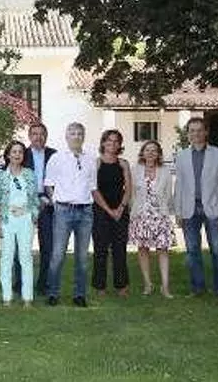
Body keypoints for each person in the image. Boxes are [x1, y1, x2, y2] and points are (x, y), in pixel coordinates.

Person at [174, 117, 218, 299]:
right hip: (189, 209)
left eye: (199, 130)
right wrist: (178, 212)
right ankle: (197, 288)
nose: (196, 134)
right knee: (192, 250)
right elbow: (179, 186)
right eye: (192, 130)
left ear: (206, 132)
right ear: (188, 134)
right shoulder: (181, 156)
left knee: (217, 250)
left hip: (213, 209)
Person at [45, 122, 100, 308]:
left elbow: (92, 186)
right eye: (73, 133)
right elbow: (49, 184)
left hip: (85, 212)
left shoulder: (91, 159)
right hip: (63, 211)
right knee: (58, 255)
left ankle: (79, 295)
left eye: (79, 134)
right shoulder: (57, 158)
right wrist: (56, 203)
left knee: (82, 258)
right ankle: (53, 293)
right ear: (66, 137)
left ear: (83, 137)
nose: (76, 136)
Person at [0, 140, 40, 307]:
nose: (17, 155)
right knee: (6, 257)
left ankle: (27, 298)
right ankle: (7, 297)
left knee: (25, 257)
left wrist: (33, 215)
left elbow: (35, 199)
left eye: (20, 152)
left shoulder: (29, 174)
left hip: (25, 219)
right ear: (8, 155)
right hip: (7, 220)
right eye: (14, 152)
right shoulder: (0, 176)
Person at [15, 122, 57, 296]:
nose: (38, 137)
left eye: (41, 134)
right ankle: (21, 284)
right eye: (34, 134)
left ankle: (44, 284)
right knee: (22, 246)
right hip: (25, 204)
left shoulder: (54, 155)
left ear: (46, 136)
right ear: (29, 136)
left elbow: (59, 179)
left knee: (48, 246)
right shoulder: (21, 154)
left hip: (48, 204)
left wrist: (49, 199)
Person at [129, 140, 176, 298]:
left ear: (158, 154)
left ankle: (165, 286)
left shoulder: (165, 171)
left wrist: (160, 209)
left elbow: (168, 194)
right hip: (141, 216)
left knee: (163, 250)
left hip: (160, 216)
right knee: (143, 249)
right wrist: (135, 210)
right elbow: (132, 194)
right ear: (142, 153)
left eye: (154, 150)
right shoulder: (135, 170)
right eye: (147, 150)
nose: (150, 153)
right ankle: (148, 284)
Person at [91, 129, 133, 297]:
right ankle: (100, 286)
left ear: (120, 145)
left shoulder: (123, 164)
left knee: (119, 249)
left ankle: (121, 286)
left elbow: (128, 189)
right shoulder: (96, 163)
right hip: (101, 210)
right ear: (103, 143)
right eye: (109, 140)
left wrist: (120, 208)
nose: (112, 144)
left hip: (121, 210)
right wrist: (109, 210)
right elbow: (94, 190)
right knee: (100, 249)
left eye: (116, 141)